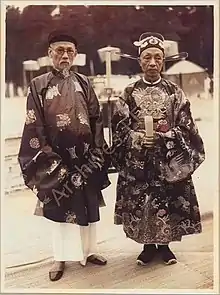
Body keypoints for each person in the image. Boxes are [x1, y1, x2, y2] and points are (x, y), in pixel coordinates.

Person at [18, 31, 110, 281]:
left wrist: (97, 153)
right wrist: (49, 158)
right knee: (59, 207)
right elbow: (33, 124)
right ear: (50, 54)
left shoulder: (85, 82)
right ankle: (60, 258)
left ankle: (90, 251)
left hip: (85, 159)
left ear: (76, 54)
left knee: (88, 204)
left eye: (70, 50)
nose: (65, 55)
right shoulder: (39, 84)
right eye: (60, 50)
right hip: (55, 160)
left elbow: (96, 119)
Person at [110, 32, 205, 266]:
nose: (152, 63)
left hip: (168, 159)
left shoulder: (175, 92)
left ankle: (165, 246)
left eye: (157, 58)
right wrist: (137, 138)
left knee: (166, 199)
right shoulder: (129, 93)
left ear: (163, 61)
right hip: (138, 162)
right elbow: (119, 128)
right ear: (139, 61)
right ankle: (147, 246)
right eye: (147, 58)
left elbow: (187, 126)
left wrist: (165, 138)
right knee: (142, 200)